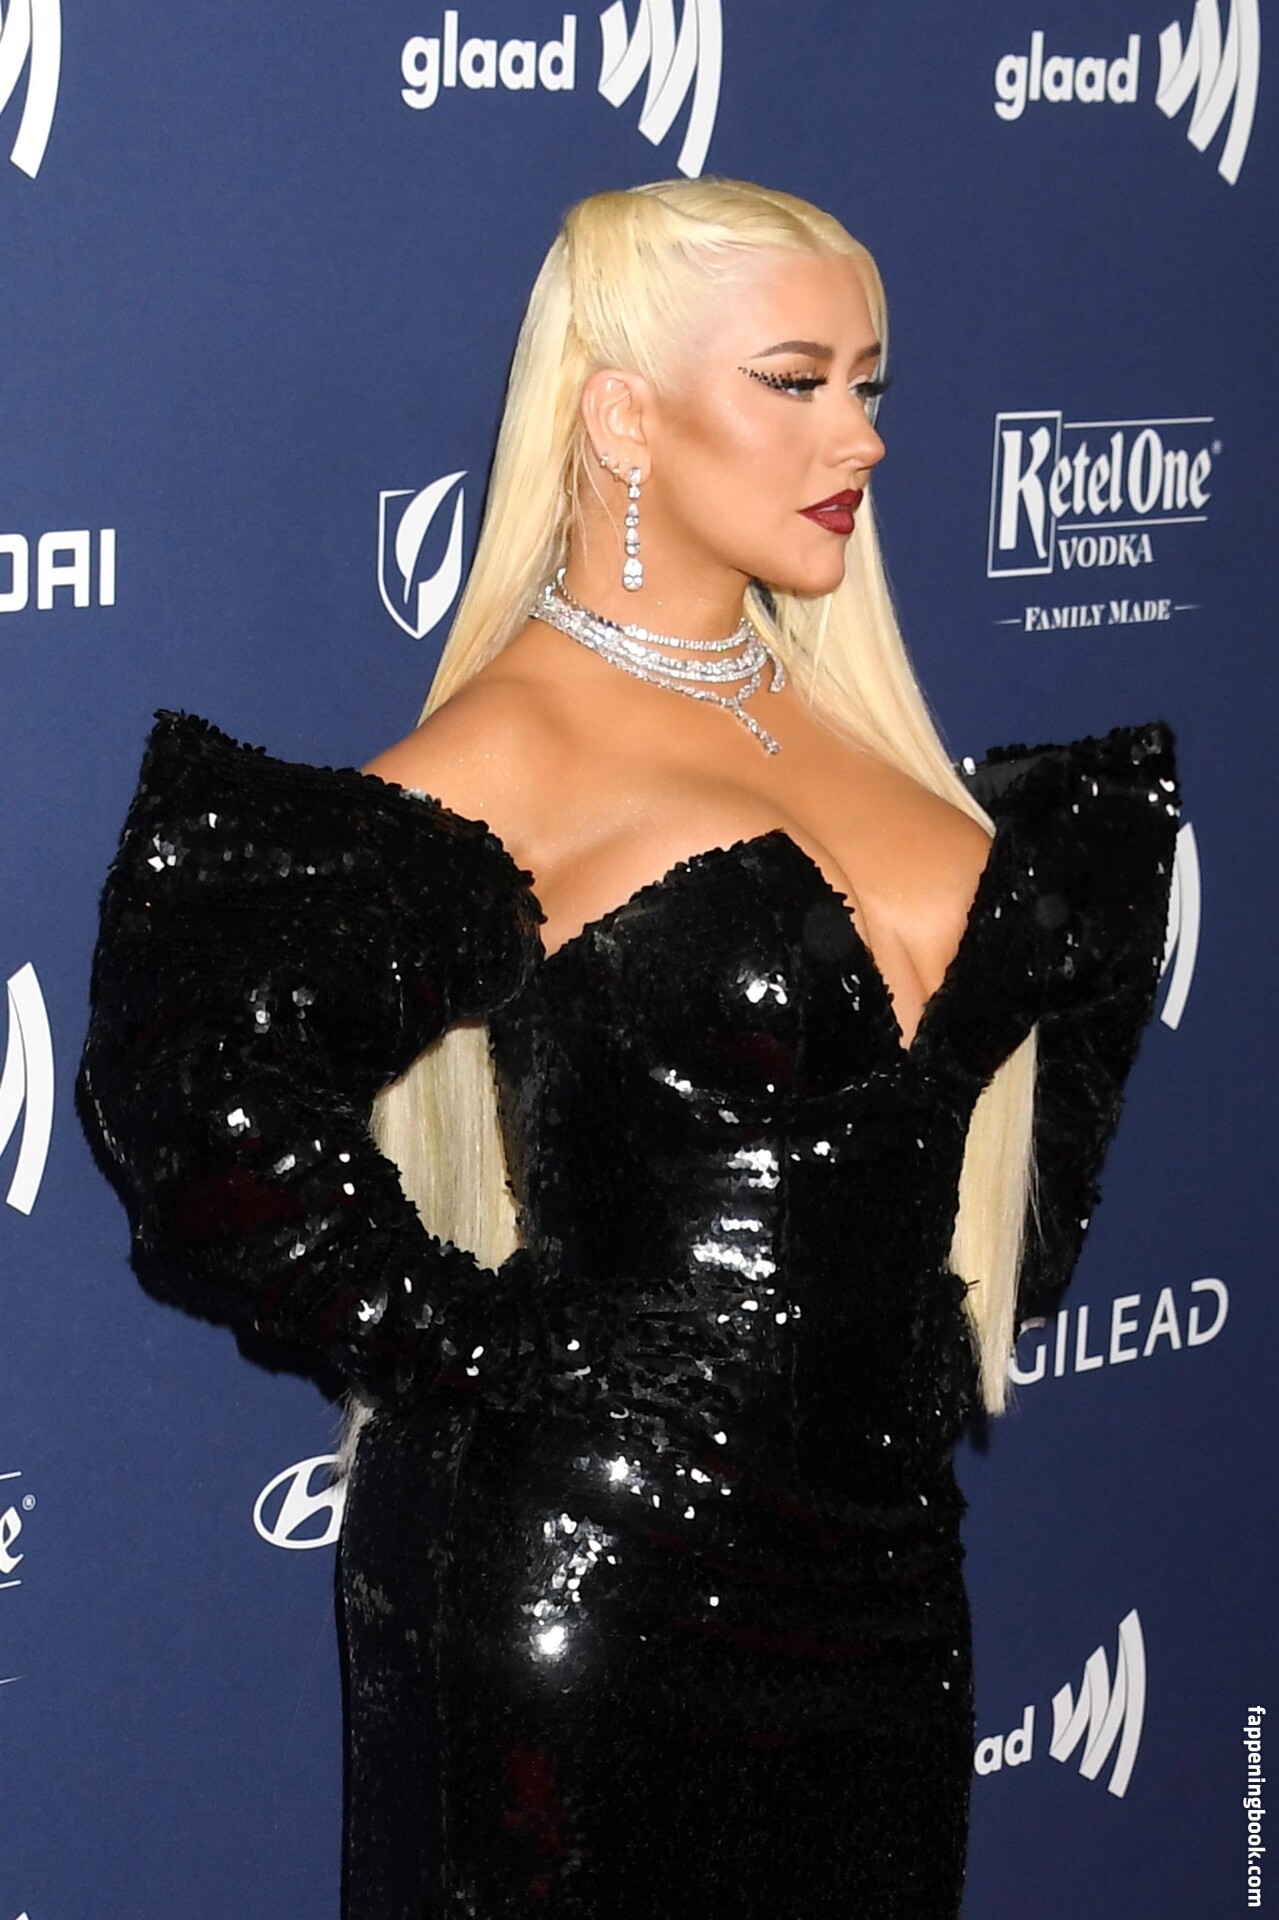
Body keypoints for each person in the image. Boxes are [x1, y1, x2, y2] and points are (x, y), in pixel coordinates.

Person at [77, 177, 1181, 1918]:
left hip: (890, 1594)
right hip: (589, 1590)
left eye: (868, 385)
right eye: (796, 382)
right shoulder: (515, 749)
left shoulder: (864, 732)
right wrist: (499, 1350)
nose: (861, 438)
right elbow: (192, 1084)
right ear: (620, 417)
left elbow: (1004, 1184)